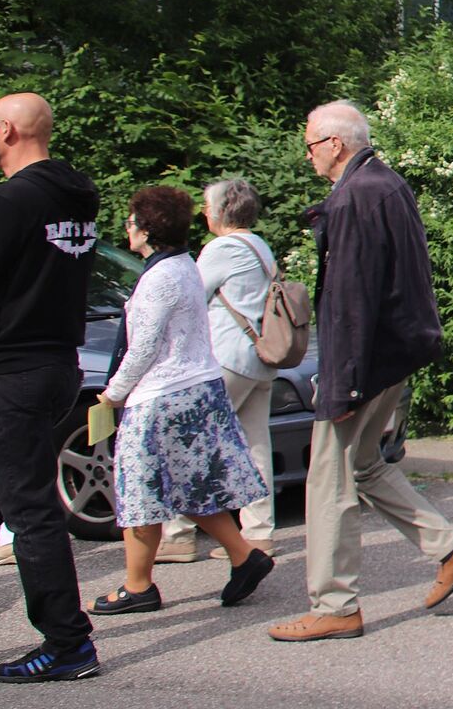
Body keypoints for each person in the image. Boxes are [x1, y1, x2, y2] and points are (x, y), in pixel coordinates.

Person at [270, 101, 453, 642]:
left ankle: (335, 605)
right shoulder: (385, 183)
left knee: (329, 480)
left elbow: (352, 299)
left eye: (311, 145)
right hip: (393, 354)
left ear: (335, 144)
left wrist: (342, 383)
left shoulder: (355, 196)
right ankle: (451, 547)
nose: (308, 155)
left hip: (366, 360)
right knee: (365, 464)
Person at [92, 186, 275, 616]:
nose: (127, 227)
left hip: (162, 396)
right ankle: (244, 556)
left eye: (132, 221)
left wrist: (113, 393)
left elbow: (144, 347)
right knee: (190, 486)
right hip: (195, 387)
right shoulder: (184, 266)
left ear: (147, 229)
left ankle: (138, 586)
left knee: (139, 489)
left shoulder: (160, 277)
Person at [0, 93, 101, 683]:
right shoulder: (75, 198)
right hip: (56, 364)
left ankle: (68, 643)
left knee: (30, 509)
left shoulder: (14, 201)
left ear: (7, 131)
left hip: (14, 371)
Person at [159, 178, 280, 562]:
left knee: (190, 441)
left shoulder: (222, 248)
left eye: (207, 206)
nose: (203, 213)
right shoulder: (260, 246)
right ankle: (259, 533)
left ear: (222, 211)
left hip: (226, 359)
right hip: (260, 359)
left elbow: (189, 297)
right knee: (255, 447)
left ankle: (178, 534)